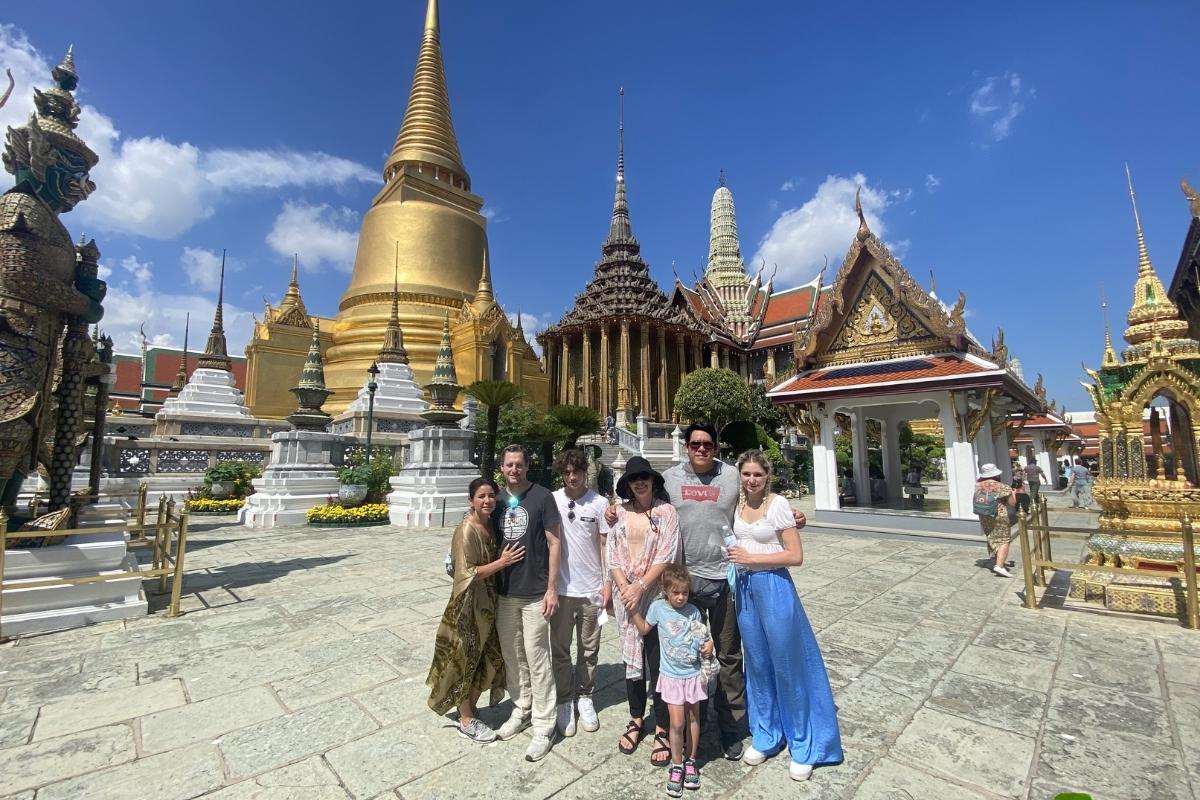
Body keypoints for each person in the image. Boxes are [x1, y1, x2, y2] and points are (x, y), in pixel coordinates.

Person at [728, 450, 843, 781]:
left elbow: (795, 555)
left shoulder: (777, 505)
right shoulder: (736, 503)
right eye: (747, 474)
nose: (752, 480)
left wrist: (753, 560)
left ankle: (804, 743)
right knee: (759, 665)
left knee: (788, 666)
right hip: (746, 591)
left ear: (767, 477)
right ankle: (766, 733)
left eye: (757, 475)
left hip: (774, 587)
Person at [426, 477, 524, 743]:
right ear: (471, 501)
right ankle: (466, 719)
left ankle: (467, 706)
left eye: (491, 495)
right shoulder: (467, 529)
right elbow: (465, 573)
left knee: (489, 659)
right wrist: (502, 562)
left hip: (489, 604)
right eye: (481, 496)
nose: (487, 500)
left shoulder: (490, 523)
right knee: (465, 661)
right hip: (469, 606)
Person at [607, 455, 680, 766]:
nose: (640, 482)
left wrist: (641, 587)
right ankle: (636, 718)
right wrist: (625, 587)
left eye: (644, 477)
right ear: (627, 484)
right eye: (634, 478)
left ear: (652, 481)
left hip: (655, 596)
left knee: (659, 661)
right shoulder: (620, 513)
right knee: (631, 661)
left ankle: (662, 726)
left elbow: (668, 553)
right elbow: (612, 553)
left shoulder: (666, 513)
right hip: (628, 596)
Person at [491, 445, 563, 763]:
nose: (514, 470)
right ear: (502, 468)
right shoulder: (495, 500)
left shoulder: (542, 497)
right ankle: (521, 709)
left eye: (519, 464)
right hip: (505, 593)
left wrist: (552, 589)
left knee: (538, 659)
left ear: (527, 466)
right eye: (509, 465)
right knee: (512, 656)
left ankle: (545, 725)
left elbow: (554, 542)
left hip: (535, 592)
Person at [626, 563, 714, 797]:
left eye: (684, 592)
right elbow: (645, 629)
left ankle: (691, 761)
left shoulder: (694, 611)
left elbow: (703, 636)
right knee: (677, 723)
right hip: (672, 676)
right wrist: (633, 610)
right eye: (675, 592)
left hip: (693, 675)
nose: (680, 597)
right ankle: (677, 765)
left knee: (693, 718)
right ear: (666, 591)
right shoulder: (657, 609)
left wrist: (709, 645)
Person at [549, 448, 611, 737]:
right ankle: (564, 700)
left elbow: (604, 545)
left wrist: (607, 582)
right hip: (561, 590)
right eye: (567, 472)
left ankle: (584, 696)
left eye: (577, 472)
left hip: (590, 590)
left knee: (588, 650)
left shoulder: (599, 503)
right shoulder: (553, 500)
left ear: (586, 472)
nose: (572, 477)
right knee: (560, 650)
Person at [974, 463, 1017, 577]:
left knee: (991, 535)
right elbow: (1012, 503)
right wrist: (1013, 493)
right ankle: (999, 565)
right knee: (1004, 539)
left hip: (984, 514)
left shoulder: (978, 485)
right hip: (998, 514)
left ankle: (994, 559)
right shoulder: (1002, 486)